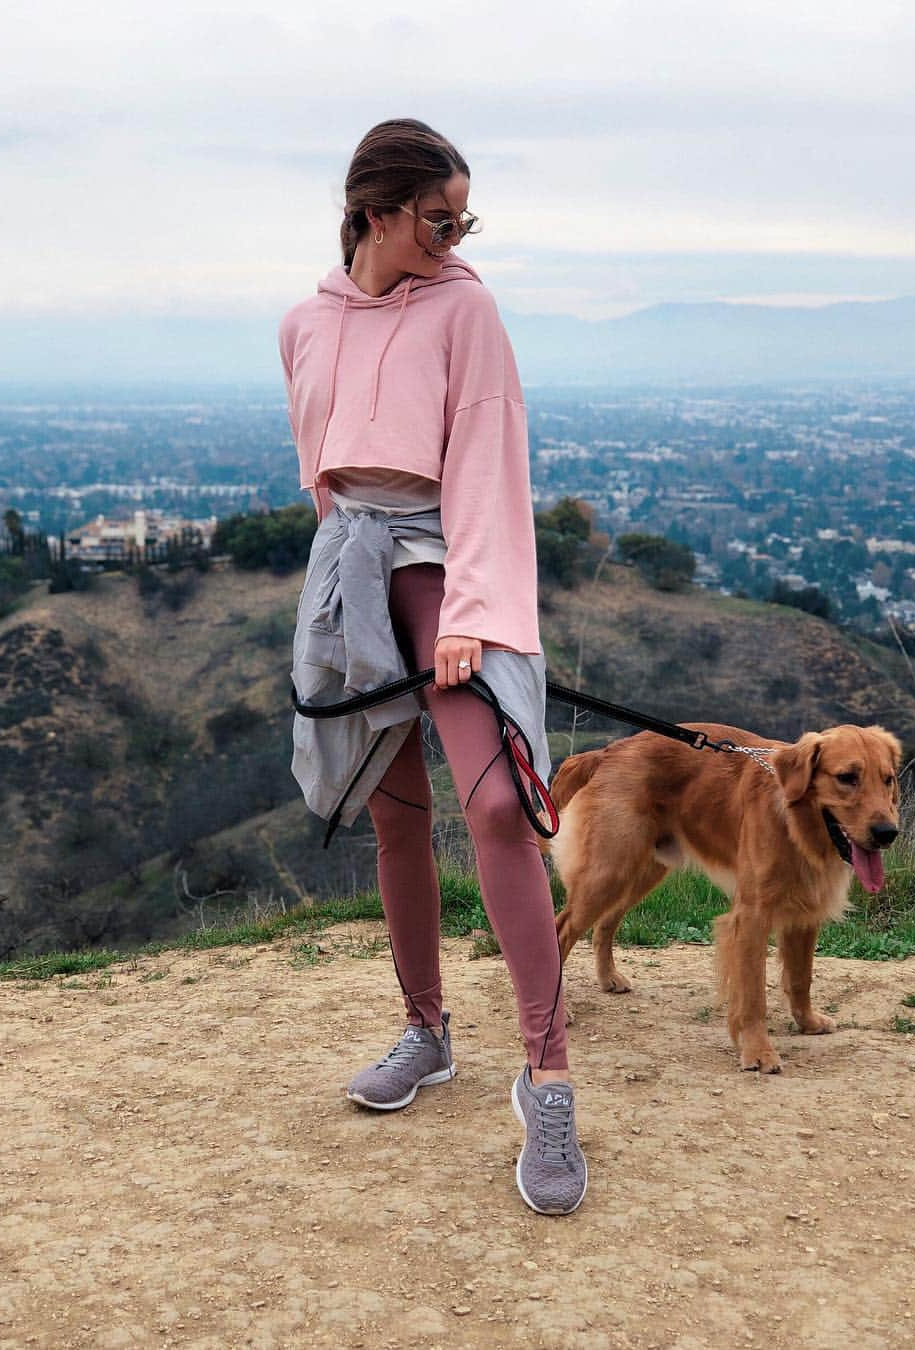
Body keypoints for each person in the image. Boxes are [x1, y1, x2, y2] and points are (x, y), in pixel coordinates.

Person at [278, 118, 587, 1217]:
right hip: (353, 570)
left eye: (465, 221)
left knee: (499, 805)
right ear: (375, 210)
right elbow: (326, 479)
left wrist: (471, 609)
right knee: (391, 810)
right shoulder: (302, 323)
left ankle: (547, 1075)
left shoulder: (468, 308)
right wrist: (338, 600)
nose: (455, 238)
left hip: (448, 569)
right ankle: (427, 1031)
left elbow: (493, 462)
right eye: (437, 219)